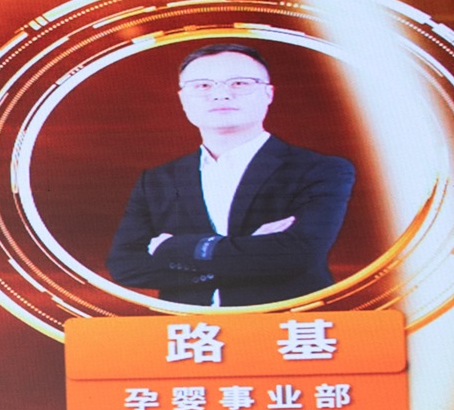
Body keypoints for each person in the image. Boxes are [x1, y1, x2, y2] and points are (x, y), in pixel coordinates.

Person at [103, 44, 355, 307]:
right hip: (192, 328)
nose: (221, 95)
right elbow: (125, 265)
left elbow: (298, 254)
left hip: (288, 323)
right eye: (203, 86)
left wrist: (172, 248)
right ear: (183, 99)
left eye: (239, 83)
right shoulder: (158, 180)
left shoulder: (319, 169)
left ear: (268, 94)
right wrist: (247, 252)